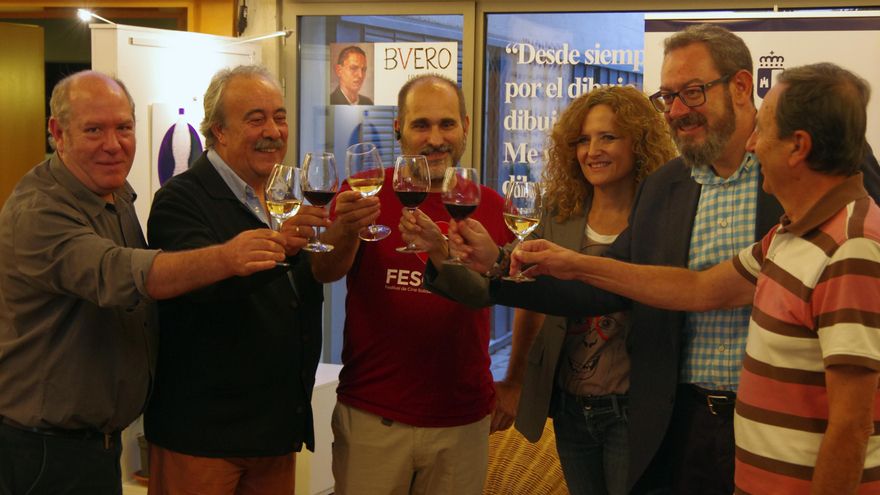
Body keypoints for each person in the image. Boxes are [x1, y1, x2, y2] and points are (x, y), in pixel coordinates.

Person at [439, 24, 880, 494]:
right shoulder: (673, 190)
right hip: (680, 429)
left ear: (741, 86)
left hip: (802, 438)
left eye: (692, 92)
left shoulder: (826, 195)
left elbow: (854, 396)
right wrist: (507, 264)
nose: (676, 111)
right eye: (667, 97)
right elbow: (680, 287)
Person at [0, 70, 290, 494]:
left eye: (124, 128)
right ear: (57, 133)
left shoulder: (114, 194)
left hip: (95, 446)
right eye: (94, 130)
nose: (113, 144)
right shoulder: (39, 210)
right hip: (44, 451)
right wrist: (228, 257)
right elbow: (117, 273)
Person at [409, 86, 676, 495]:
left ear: (639, 142)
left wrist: (499, 263)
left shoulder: (663, 215)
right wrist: (442, 254)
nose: (592, 151)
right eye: (582, 140)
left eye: (608, 137)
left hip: (635, 408)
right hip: (571, 407)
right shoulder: (560, 210)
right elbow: (503, 283)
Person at [310, 74, 513, 494]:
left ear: (466, 127)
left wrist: (517, 380)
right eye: (421, 125)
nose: (435, 139)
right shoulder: (363, 192)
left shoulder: (493, 206)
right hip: (373, 415)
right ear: (399, 128)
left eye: (447, 124)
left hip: (462, 421)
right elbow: (324, 272)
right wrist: (344, 229)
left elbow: (528, 297)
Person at [143, 65, 328, 495]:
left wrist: (345, 235)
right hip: (203, 438)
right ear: (219, 132)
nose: (273, 132)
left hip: (274, 433)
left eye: (279, 117)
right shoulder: (180, 200)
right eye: (256, 119)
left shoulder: (285, 195)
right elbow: (204, 290)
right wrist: (282, 246)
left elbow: (303, 290)